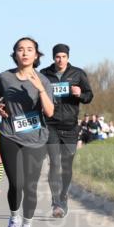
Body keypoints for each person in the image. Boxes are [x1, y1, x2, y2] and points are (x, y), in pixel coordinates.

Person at [0, 37, 55, 227]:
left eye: (29, 50)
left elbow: (50, 112)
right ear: (15, 54)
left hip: (35, 139)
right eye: (20, 49)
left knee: (31, 186)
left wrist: (40, 89)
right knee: (16, 183)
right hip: (9, 134)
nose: (25, 53)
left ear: (36, 55)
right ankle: (14, 220)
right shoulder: (5, 77)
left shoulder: (43, 81)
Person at [41, 43, 93, 218]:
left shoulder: (78, 74)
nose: (60, 59)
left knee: (67, 166)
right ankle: (56, 203)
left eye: (63, 56)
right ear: (53, 57)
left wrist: (80, 94)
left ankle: (64, 195)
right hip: (51, 124)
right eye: (57, 56)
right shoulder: (44, 74)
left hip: (70, 125)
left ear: (68, 57)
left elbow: (89, 96)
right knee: (54, 163)